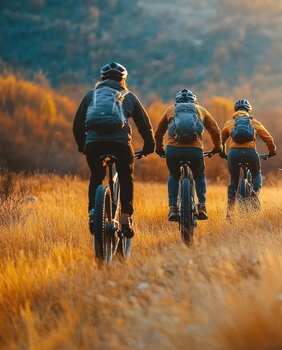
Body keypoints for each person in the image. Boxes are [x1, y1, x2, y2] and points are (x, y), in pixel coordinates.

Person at [73, 62, 156, 237]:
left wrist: (83, 146)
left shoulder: (91, 96)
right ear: (123, 80)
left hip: (94, 144)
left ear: (102, 79)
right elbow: (145, 125)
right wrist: (149, 146)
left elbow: (77, 126)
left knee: (97, 175)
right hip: (120, 144)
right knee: (126, 175)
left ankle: (94, 214)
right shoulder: (128, 96)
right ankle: (126, 216)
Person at [155, 89, 222, 221]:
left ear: (177, 101)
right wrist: (218, 147)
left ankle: (173, 208)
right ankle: (202, 206)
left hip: (173, 150)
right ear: (194, 101)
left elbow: (159, 131)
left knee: (174, 175)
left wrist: (159, 148)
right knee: (199, 176)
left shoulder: (170, 110)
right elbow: (214, 129)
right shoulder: (200, 110)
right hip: (195, 150)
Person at [221, 99, 276, 215]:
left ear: (235, 111)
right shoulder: (254, 122)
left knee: (234, 180)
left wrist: (223, 153)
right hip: (250, 153)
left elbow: (220, 142)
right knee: (256, 174)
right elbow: (268, 138)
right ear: (249, 111)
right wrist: (272, 151)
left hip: (234, 154)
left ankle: (230, 211)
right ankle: (255, 192)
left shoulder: (229, 123)